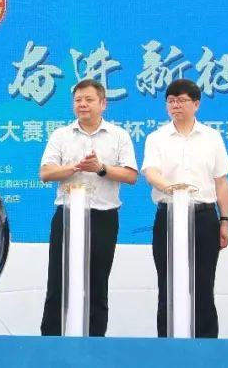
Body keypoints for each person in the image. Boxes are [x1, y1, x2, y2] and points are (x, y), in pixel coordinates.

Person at [38, 78, 138, 336]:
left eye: (89, 100)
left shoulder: (118, 135)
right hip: (67, 215)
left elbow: (130, 175)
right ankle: (51, 343)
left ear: (103, 104)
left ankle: (94, 344)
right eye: (78, 100)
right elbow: (46, 173)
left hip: (103, 218)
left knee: (97, 283)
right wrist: (75, 168)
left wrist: (100, 168)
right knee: (58, 282)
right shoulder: (61, 135)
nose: (82, 104)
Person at [141, 78, 228, 338]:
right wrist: (174, 189)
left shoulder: (212, 138)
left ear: (196, 104)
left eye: (181, 100)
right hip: (169, 215)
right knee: (168, 284)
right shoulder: (157, 138)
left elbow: (221, 182)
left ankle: (206, 347)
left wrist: (225, 220)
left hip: (204, 217)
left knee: (203, 285)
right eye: (171, 101)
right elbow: (151, 172)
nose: (175, 106)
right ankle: (167, 345)